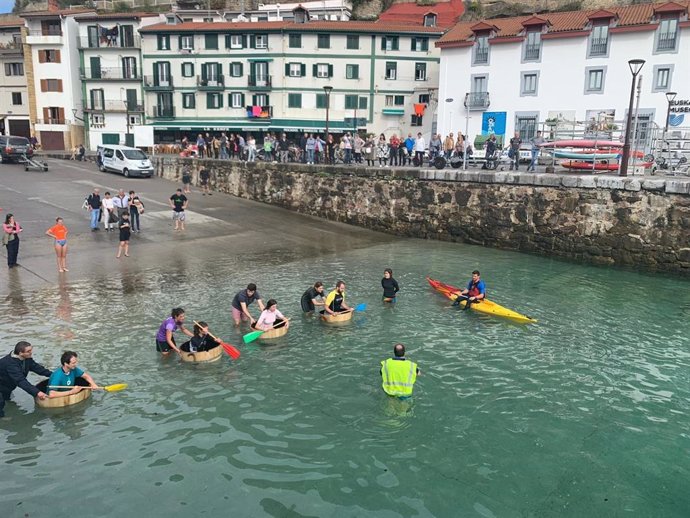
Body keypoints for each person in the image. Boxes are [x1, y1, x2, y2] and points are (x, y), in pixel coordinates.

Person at [0, 341, 52, 417]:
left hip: (6, 385)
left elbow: (38, 368)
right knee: (0, 402)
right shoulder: (10, 365)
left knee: (6, 398)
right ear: (21, 353)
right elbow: (21, 381)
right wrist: (37, 392)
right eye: (28, 351)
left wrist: (54, 375)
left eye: (31, 350)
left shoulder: (27, 358)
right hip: (3, 384)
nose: (31, 353)